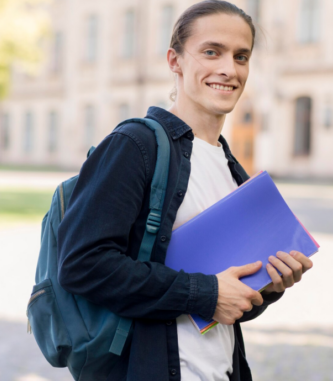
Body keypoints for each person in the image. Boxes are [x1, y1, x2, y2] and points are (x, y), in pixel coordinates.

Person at [57, 1, 313, 380]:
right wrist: (206, 294)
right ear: (174, 60)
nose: (229, 69)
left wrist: (270, 285)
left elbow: (224, 305)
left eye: (241, 56)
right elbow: (82, 265)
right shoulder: (136, 145)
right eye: (212, 52)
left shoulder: (233, 170)